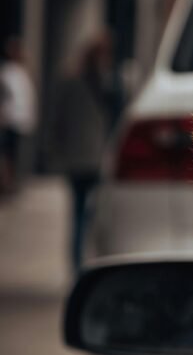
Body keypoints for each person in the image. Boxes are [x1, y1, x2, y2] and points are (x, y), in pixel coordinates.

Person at [50, 31, 115, 271]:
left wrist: (57, 149)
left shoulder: (75, 80)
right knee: (88, 214)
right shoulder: (104, 83)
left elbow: (57, 121)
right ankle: (83, 263)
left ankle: (79, 264)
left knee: (80, 213)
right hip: (92, 158)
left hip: (79, 157)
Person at [0, 36, 38, 195]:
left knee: (14, 155)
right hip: (11, 120)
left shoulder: (21, 72)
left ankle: (11, 183)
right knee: (8, 155)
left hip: (21, 121)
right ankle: (6, 184)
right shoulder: (7, 72)